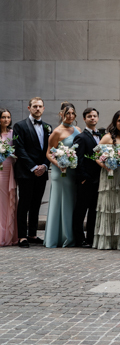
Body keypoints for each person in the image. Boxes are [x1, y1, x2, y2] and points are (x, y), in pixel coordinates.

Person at [94, 110, 120, 250]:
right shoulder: (107, 137)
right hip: (111, 177)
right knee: (111, 206)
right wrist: (105, 166)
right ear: (115, 122)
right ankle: (109, 241)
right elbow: (96, 156)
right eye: (119, 121)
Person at [13, 97, 52, 247]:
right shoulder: (20, 126)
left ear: (43, 108)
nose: (37, 109)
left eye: (40, 106)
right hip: (26, 172)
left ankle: (33, 234)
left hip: (42, 171)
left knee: (36, 204)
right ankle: (22, 236)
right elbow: (19, 149)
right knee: (24, 203)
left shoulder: (48, 127)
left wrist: (44, 165)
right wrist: (33, 167)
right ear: (29, 108)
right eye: (35, 106)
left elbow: (50, 149)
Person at [44, 102, 81, 248]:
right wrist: (58, 164)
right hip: (60, 171)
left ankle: (71, 235)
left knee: (71, 202)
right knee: (61, 202)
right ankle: (59, 237)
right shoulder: (57, 132)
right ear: (61, 114)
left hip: (73, 170)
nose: (70, 116)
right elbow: (48, 153)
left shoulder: (78, 130)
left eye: (72, 113)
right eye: (67, 114)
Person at [73, 107, 104, 248]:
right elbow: (77, 160)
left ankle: (91, 238)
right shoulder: (81, 137)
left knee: (94, 211)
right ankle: (79, 239)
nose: (92, 118)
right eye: (89, 116)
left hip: (99, 180)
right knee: (80, 210)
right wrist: (83, 178)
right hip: (86, 180)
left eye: (95, 116)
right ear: (84, 119)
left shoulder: (102, 136)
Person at [0, 108, 18, 247]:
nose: (6, 120)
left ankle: (9, 235)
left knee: (11, 200)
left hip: (11, 171)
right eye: (3, 117)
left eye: (8, 117)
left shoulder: (13, 133)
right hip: (0, 171)